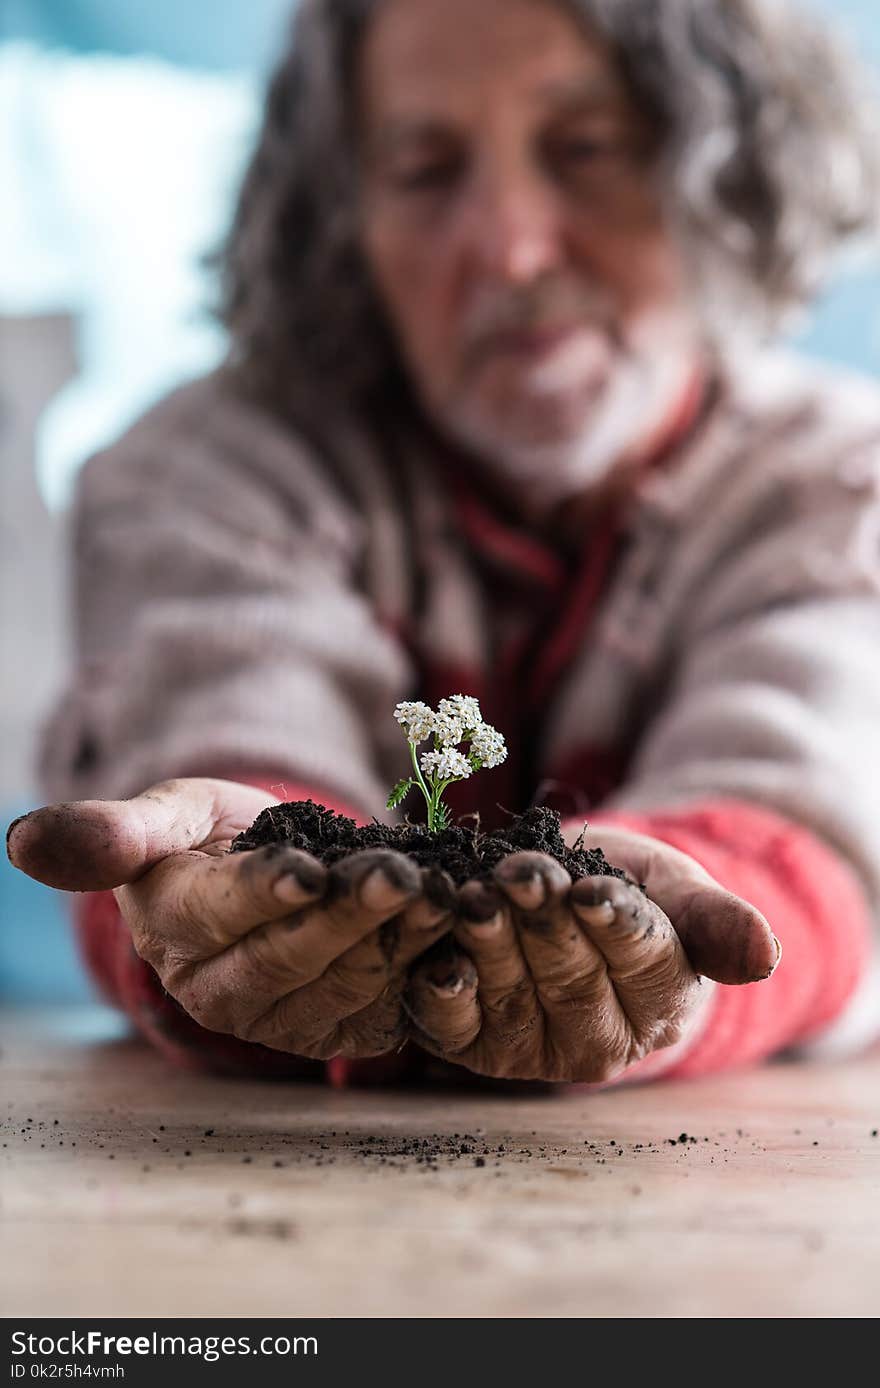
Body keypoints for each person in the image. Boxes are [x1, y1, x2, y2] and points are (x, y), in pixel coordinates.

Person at [7, 0, 880, 1087]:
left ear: (724, 176)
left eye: (589, 148)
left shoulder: (842, 486)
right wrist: (230, 889)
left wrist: (682, 940)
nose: (509, 248)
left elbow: (809, 810)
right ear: (342, 220)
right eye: (424, 170)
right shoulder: (203, 468)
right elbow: (220, 732)